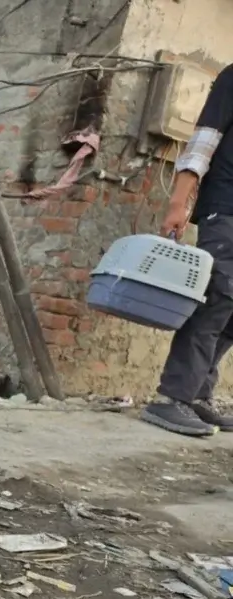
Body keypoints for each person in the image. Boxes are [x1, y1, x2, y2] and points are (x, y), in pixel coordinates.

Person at [142, 63, 233, 437]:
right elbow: (203, 142)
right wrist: (178, 202)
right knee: (220, 295)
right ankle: (171, 399)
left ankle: (197, 395)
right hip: (226, 206)